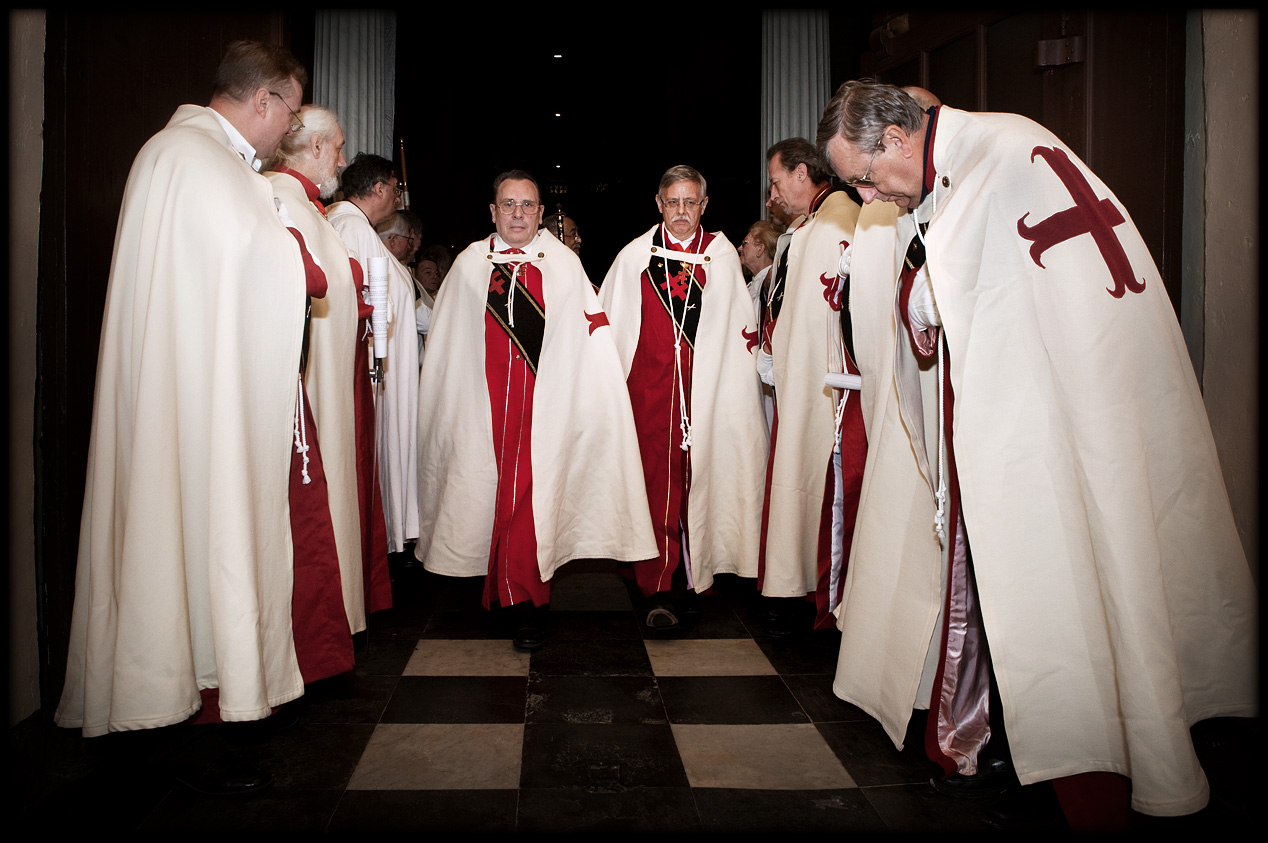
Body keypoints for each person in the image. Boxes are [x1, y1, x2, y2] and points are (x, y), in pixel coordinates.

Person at [816, 78, 1258, 826]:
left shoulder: (999, 156)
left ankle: (1088, 760)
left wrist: (920, 296)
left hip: (1060, 414)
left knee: (1068, 584)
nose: (869, 197)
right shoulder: (989, 150)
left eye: (864, 177)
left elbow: (938, 298)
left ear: (895, 139)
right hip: (1058, 404)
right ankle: (1001, 736)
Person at [56, 41, 311, 752]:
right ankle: (174, 710)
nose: (287, 130)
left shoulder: (212, 162)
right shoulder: (188, 159)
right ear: (262, 100)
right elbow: (252, 259)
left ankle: (212, 688)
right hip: (191, 397)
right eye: (288, 113)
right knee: (183, 532)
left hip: (210, 387)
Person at [414, 170, 656, 651]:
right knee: (485, 497)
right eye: (509, 204)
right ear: (492, 211)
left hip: (543, 411)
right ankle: (500, 589)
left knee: (531, 505)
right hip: (482, 411)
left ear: (541, 213)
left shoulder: (563, 265)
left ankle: (526, 604)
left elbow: (588, 336)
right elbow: (447, 349)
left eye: (527, 205)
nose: (518, 214)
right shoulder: (468, 265)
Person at [599, 166, 768, 629]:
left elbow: (738, 332)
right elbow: (611, 328)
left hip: (707, 395)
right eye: (672, 202)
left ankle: (697, 576)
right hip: (649, 395)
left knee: (703, 482)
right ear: (658, 203)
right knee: (656, 486)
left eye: (690, 202)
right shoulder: (635, 255)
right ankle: (661, 586)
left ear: (704, 206)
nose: (680, 211)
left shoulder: (720, 255)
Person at [267, 104, 392, 636]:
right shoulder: (278, 200)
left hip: (333, 380)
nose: (342, 159)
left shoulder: (311, 206)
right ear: (315, 147)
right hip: (304, 394)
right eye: (337, 146)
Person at [758, 138, 865, 635]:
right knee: (794, 480)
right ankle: (791, 584)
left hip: (827, 387)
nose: (773, 194)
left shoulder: (841, 220)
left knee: (818, 487)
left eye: (777, 182)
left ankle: (813, 589)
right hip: (799, 384)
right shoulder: (807, 228)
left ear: (803, 173)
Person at [327, 154, 420, 556]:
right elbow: (362, 301)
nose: (398, 196)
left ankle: (392, 532)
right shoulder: (351, 226)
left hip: (387, 363)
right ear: (379, 188)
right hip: (374, 365)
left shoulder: (358, 225)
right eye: (396, 188)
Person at [739, 220, 782, 431]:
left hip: (769, 372)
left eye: (745, 243)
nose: (740, 248)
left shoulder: (773, 283)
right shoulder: (752, 284)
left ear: (760, 248)